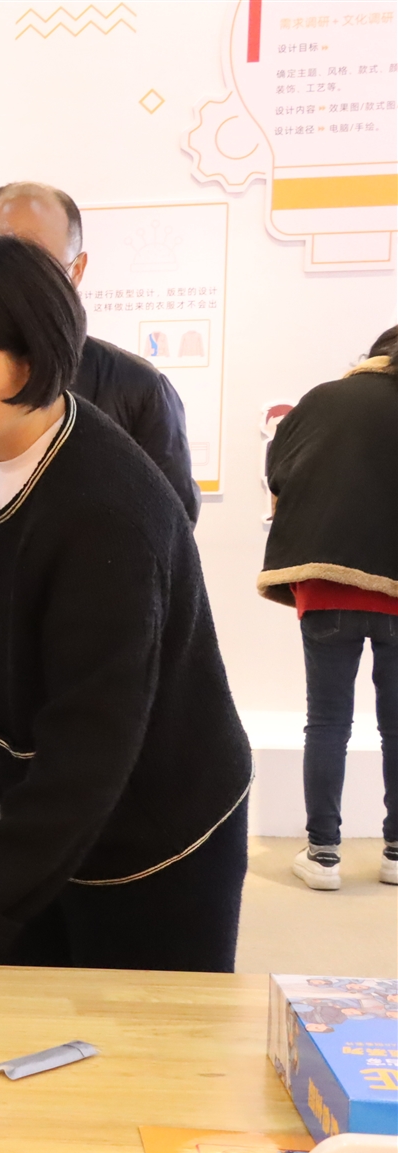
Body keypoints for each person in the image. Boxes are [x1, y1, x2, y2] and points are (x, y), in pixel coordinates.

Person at [0, 235, 251, 973]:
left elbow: (92, 743)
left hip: (152, 830)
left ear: (30, 361)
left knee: (132, 1030)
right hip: (54, 808)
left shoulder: (103, 513)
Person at [259, 325, 398, 890]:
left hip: (327, 588)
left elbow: (278, 472)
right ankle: (396, 854)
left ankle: (323, 856)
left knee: (328, 722)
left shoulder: (322, 400)